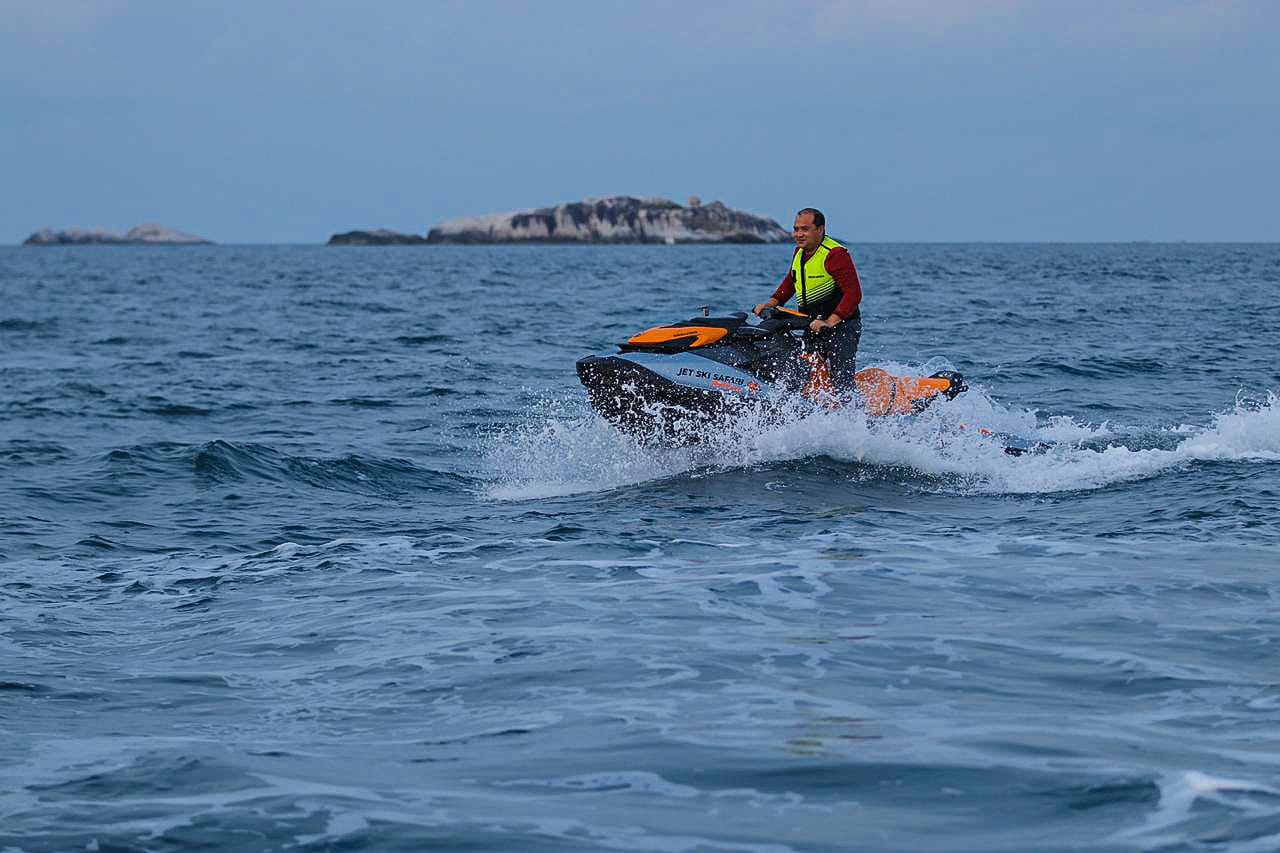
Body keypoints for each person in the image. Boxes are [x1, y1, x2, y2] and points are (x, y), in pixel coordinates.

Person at [753, 208, 862, 393]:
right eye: (795, 229)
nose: (798, 234)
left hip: (841, 327)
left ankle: (852, 414)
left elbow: (853, 294)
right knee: (805, 373)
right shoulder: (799, 252)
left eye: (804, 229)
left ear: (820, 230)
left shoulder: (835, 254)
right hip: (811, 325)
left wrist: (830, 321)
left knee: (842, 383)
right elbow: (790, 281)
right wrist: (771, 303)